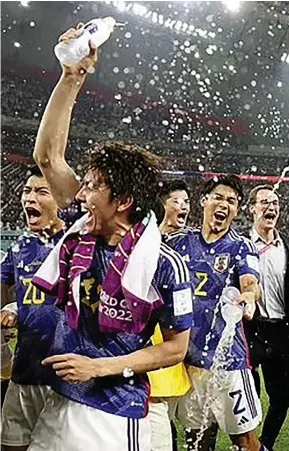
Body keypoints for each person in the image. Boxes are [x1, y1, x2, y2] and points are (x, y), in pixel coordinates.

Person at [28, 25, 193, 451]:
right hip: (59, 400)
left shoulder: (163, 264)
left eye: (92, 186)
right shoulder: (82, 229)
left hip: (115, 414)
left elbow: (175, 349)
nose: (79, 194)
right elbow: (47, 156)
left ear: (121, 200)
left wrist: (99, 367)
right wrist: (72, 75)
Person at [166, 175, 266, 451]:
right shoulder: (179, 242)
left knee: (245, 440)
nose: (224, 205)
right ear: (204, 201)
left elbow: (250, 283)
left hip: (227, 363)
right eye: (219, 197)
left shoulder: (240, 246)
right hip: (189, 360)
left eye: (231, 201)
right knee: (197, 438)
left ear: (236, 211)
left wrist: (248, 298)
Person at [1, 167, 66, 451]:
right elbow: (5, 287)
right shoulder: (21, 245)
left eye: (42, 191)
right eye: (28, 191)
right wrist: (12, 307)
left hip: (65, 378)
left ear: (62, 200)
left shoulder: (78, 245)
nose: (30, 198)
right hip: (24, 371)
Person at [148, 180, 192, 451]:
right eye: (177, 200)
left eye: (187, 202)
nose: (183, 206)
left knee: (182, 420)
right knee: (156, 413)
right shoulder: (148, 247)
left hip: (180, 345)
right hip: (152, 345)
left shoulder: (188, 247)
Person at [244, 185, 289, 451]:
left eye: (274, 202)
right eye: (264, 202)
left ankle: (265, 445)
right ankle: (246, 441)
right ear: (252, 208)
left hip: (282, 330)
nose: (270, 207)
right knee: (249, 397)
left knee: (282, 396)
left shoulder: (286, 245)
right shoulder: (242, 245)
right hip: (250, 329)